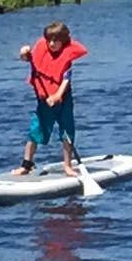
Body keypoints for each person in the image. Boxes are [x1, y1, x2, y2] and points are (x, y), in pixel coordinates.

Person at [12, 22, 88, 176]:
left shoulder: (67, 55)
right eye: (50, 40)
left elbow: (66, 80)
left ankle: (68, 166)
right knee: (35, 130)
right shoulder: (40, 50)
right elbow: (26, 57)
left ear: (64, 41)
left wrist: (57, 96)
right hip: (43, 102)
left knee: (67, 131)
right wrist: (24, 53)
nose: (52, 44)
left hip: (62, 100)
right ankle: (26, 164)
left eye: (56, 40)